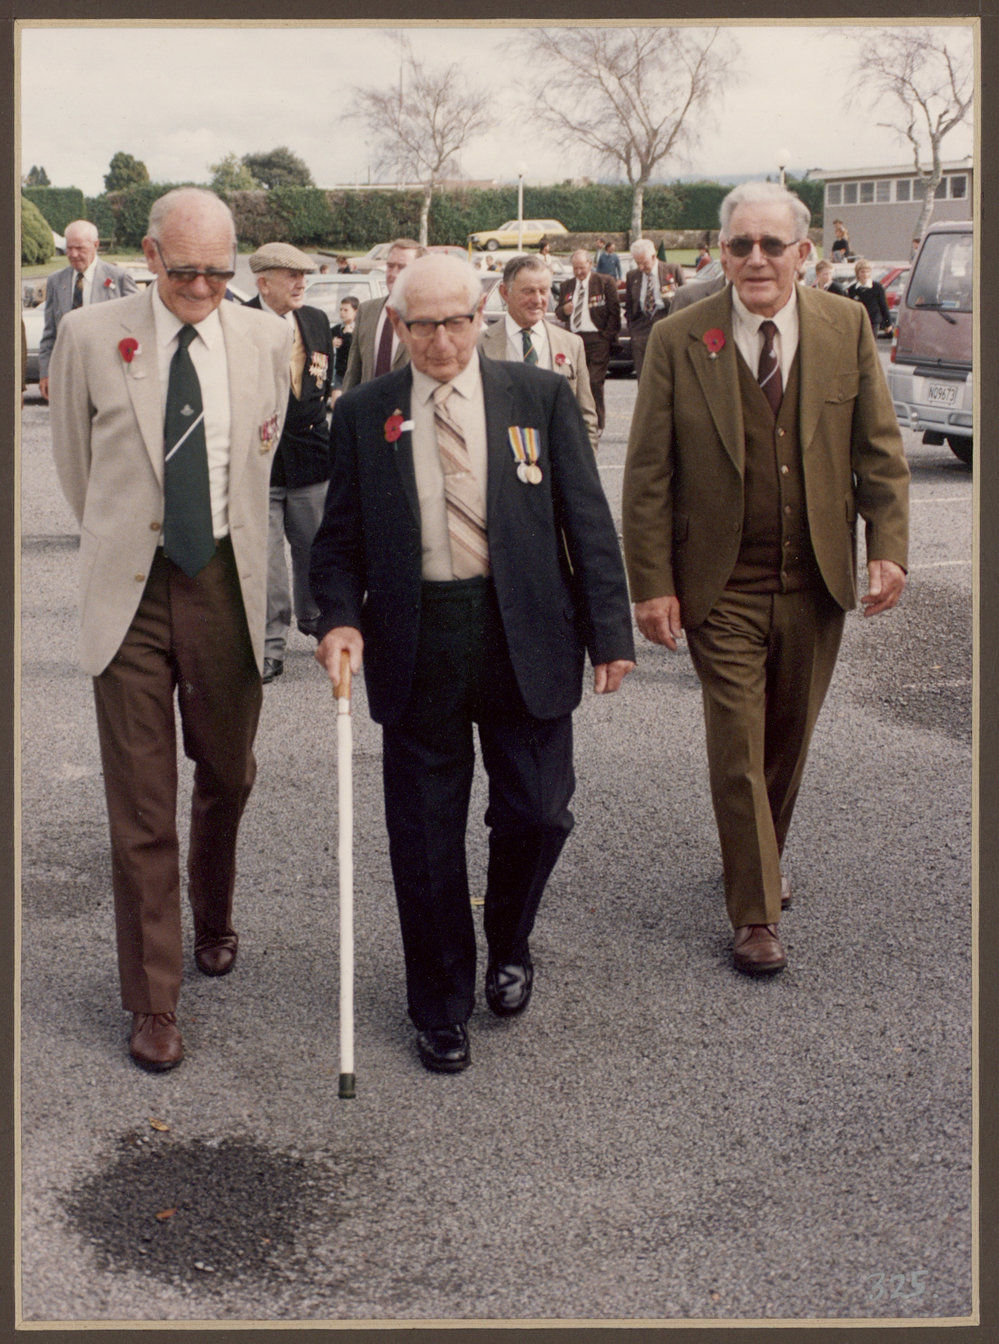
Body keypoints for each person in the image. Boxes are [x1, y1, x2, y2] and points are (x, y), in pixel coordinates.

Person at [310, 254, 635, 1074]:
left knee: (538, 812)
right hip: (417, 638)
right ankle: (439, 1003)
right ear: (398, 325)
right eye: (422, 325)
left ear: (481, 314)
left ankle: (509, 941)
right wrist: (341, 620)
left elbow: (584, 519)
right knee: (424, 837)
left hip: (523, 632)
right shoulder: (364, 412)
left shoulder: (539, 396)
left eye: (456, 321)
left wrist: (611, 632)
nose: (441, 340)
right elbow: (338, 540)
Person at [622, 181, 909, 976]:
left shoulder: (844, 324)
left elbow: (878, 452)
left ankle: (754, 859)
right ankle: (753, 911)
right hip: (722, 587)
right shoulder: (681, 339)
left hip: (816, 579)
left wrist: (886, 545)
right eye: (739, 245)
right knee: (739, 748)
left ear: (801, 253)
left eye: (770, 245)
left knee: (788, 739)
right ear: (720, 254)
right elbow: (647, 473)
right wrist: (651, 582)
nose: (755, 259)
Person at [48, 188, 292, 1071]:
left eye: (218, 272)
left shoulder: (269, 336)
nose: (201, 286)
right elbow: (78, 470)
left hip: (226, 581)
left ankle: (215, 914)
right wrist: (128, 544)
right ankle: (153, 1001)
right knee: (142, 805)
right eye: (184, 269)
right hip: (132, 594)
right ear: (149, 255)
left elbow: (264, 455)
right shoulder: (87, 336)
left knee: (227, 773)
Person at [245, 241, 335, 683]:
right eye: (291, 276)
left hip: (312, 459)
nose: (302, 283)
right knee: (266, 563)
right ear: (263, 282)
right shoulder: (237, 322)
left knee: (315, 550)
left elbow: (319, 386)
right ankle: (269, 644)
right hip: (259, 465)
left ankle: (319, 624)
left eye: (305, 275)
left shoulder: (316, 320)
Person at [479, 253, 599, 452]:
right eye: (528, 291)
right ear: (505, 293)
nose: (537, 300)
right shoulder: (480, 346)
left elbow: (586, 417)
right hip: (502, 470)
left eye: (544, 291)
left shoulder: (572, 344)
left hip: (558, 470)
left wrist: (584, 469)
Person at [38, 219, 138, 400]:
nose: (73, 254)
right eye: (69, 248)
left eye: (80, 248)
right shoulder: (55, 281)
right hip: (69, 375)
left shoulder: (119, 278)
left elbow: (137, 327)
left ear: (96, 245)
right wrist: (46, 373)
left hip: (110, 377)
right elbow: (50, 332)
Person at [341, 238, 425, 390]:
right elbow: (353, 371)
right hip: (368, 409)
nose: (393, 273)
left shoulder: (429, 316)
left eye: (402, 267)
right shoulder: (366, 311)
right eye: (390, 266)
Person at [554, 248, 621, 435]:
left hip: (598, 339)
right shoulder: (567, 285)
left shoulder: (604, 282)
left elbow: (614, 311)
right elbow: (559, 313)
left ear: (590, 264)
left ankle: (597, 423)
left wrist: (607, 336)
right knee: (573, 382)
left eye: (581, 268)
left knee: (594, 381)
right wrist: (565, 310)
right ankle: (577, 421)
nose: (578, 272)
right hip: (574, 339)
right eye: (575, 268)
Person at [625, 239, 684, 378]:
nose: (640, 267)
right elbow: (629, 306)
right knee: (644, 377)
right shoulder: (632, 276)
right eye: (637, 262)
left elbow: (685, 300)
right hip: (641, 330)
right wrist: (633, 329)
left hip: (667, 324)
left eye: (644, 263)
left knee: (668, 374)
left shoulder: (673, 270)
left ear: (653, 256)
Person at [847, 258, 892, 334]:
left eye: (867, 272)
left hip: (873, 322)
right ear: (857, 273)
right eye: (862, 272)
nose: (865, 274)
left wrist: (888, 324)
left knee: (870, 344)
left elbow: (884, 306)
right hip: (858, 322)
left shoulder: (877, 287)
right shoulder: (852, 289)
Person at [331, 295, 359, 390]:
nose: (342, 313)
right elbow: (323, 342)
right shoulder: (336, 329)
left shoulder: (360, 329)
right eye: (341, 309)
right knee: (336, 400)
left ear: (356, 311)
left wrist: (348, 335)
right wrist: (331, 343)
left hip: (356, 374)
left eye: (346, 310)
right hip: (340, 374)